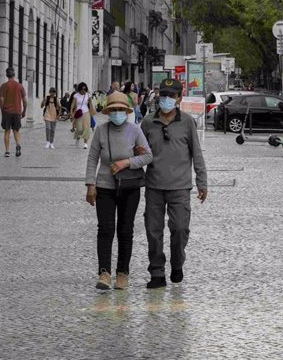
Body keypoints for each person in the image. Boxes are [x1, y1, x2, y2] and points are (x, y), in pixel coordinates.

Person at [140, 78, 208, 288]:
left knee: (179, 229)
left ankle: (177, 264)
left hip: (180, 187)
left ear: (179, 98)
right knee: (153, 231)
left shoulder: (187, 122)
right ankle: (157, 272)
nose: (166, 99)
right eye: (163, 95)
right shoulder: (148, 122)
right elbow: (138, 152)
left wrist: (201, 181)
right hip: (154, 186)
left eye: (171, 96)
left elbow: (196, 153)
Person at [85, 92, 153, 290]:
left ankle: (122, 273)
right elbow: (92, 158)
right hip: (105, 186)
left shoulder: (135, 130)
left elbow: (148, 156)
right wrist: (90, 184)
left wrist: (127, 162)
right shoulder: (101, 130)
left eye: (120, 110)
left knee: (125, 230)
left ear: (126, 111)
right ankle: (104, 272)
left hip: (129, 186)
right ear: (108, 112)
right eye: (113, 110)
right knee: (105, 229)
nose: (117, 113)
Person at [0, 68, 28, 157]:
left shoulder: (4, 86)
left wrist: (2, 110)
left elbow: (1, 100)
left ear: (6, 75)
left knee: (7, 131)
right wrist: (24, 111)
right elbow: (25, 101)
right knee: (16, 130)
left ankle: (7, 151)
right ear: (14, 75)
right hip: (17, 111)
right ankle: (18, 144)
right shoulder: (20, 86)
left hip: (7, 111)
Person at [71, 82, 93, 149]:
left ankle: (85, 143)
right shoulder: (76, 95)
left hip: (86, 112)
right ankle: (78, 136)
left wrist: (92, 113)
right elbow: (72, 104)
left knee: (86, 128)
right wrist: (71, 113)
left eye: (85, 89)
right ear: (79, 89)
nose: (83, 91)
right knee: (79, 129)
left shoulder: (88, 95)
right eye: (82, 89)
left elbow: (91, 104)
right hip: (78, 113)